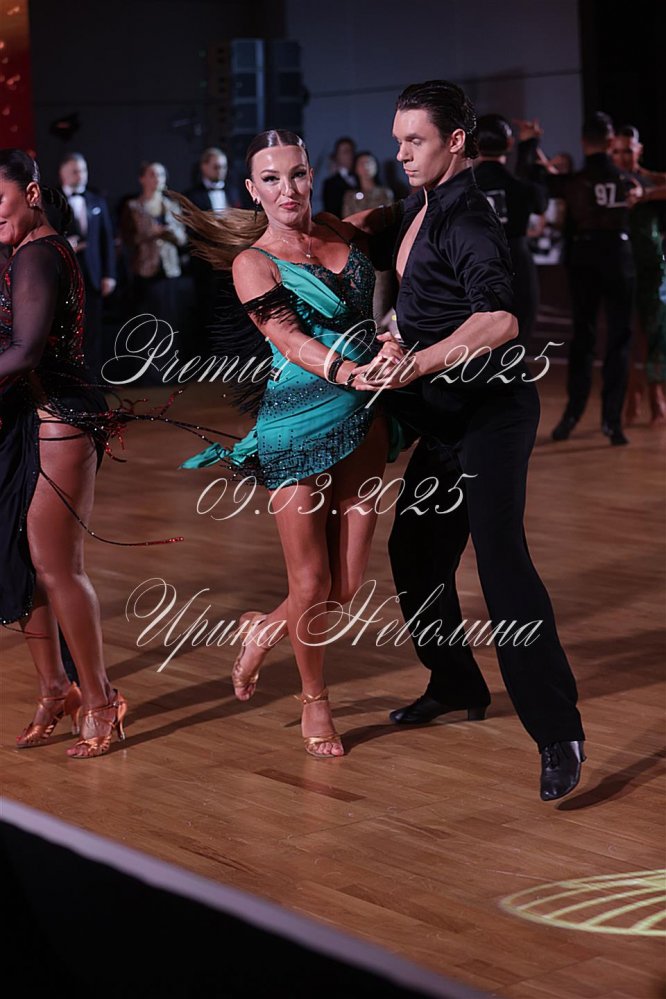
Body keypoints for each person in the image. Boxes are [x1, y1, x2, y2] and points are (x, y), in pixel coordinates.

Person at [349, 80, 586, 802]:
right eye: (397, 140)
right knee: (415, 554)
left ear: (456, 141)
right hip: (446, 417)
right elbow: (423, 303)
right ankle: (456, 683)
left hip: (492, 413)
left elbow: (499, 319)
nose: (401, 154)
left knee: (501, 559)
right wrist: (396, 338)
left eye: (414, 140)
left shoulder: (469, 217)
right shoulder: (420, 208)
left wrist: (415, 362)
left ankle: (558, 731)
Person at [177, 129, 402, 759]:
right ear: (253, 190)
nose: (288, 190)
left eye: (297, 174)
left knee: (345, 587)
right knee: (309, 581)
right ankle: (314, 699)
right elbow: (290, 341)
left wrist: (392, 332)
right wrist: (350, 370)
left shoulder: (337, 229)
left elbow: (401, 219)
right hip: (296, 424)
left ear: (311, 174)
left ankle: (262, 630)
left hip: (364, 418)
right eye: (271, 179)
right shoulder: (254, 263)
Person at [0, 149, 127, 758]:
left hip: (60, 417)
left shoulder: (38, 255)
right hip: (28, 416)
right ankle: (55, 689)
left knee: (56, 567)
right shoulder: (22, 250)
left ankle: (100, 700)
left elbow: (25, 351)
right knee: (26, 562)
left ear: (30, 192)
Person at [550, 112, 636, 446]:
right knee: (619, 339)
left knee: (583, 337)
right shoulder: (627, 180)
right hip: (618, 258)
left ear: (583, 141)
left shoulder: (576, 180)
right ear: (611, 141)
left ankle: (572, 416)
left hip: (584, 258)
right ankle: (612, 422)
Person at [473, 114, 547, 346]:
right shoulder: (521, 187)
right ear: (509, 144)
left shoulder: (462, 189)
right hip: (517, 265)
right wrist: (530, 146)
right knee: (517, 341)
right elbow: (540, 201)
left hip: (475, 266)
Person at [611, 125, 666, 426]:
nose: (622, 157)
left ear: (639, 150)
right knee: (630, 333)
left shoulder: (648, 179)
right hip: (622, 266)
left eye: (627, 151)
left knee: (656, 329)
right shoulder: (608, 181)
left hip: (652, 266)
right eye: (616, 151)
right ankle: (633, 391)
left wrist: (646, 193)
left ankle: (656, 393)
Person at [58, 152, 117, 380]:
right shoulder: (51, 202)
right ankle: (70, 382)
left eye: (83, 170)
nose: (80, 175)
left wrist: (109, 275)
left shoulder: (97, 200)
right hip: (64, 279)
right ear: (63, 174)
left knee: (93, 332)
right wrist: (65, 246)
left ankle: (94, 383)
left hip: (93, 278)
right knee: (66, 331)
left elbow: (106, 241)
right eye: (75, 171)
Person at [120, 162, 187, 344]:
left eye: (161, 175)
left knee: (169, 320)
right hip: (144, 269)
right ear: (142, 179)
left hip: (169, 269)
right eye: (152, 174)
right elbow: (127, 239)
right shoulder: (133, 207)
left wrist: (170, 233)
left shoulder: (172, 205)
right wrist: (150, 233)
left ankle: (169, 357)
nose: (157, 179)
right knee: (146, 322)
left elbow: (183, 239)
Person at [342, 151, 396, 324]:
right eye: (362, 163)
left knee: (380, 301)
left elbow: (390, 221)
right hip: (357, 255)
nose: (366, 167)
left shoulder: (385, 193)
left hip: (380, 253)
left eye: (370, 162)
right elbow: (347, 223)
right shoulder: (350, 195)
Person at [322, 136, 357, 217]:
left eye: (351, 151)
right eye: (345, 152)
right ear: (337, 156)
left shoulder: (360, 177)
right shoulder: (330, 184)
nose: (350, 155)